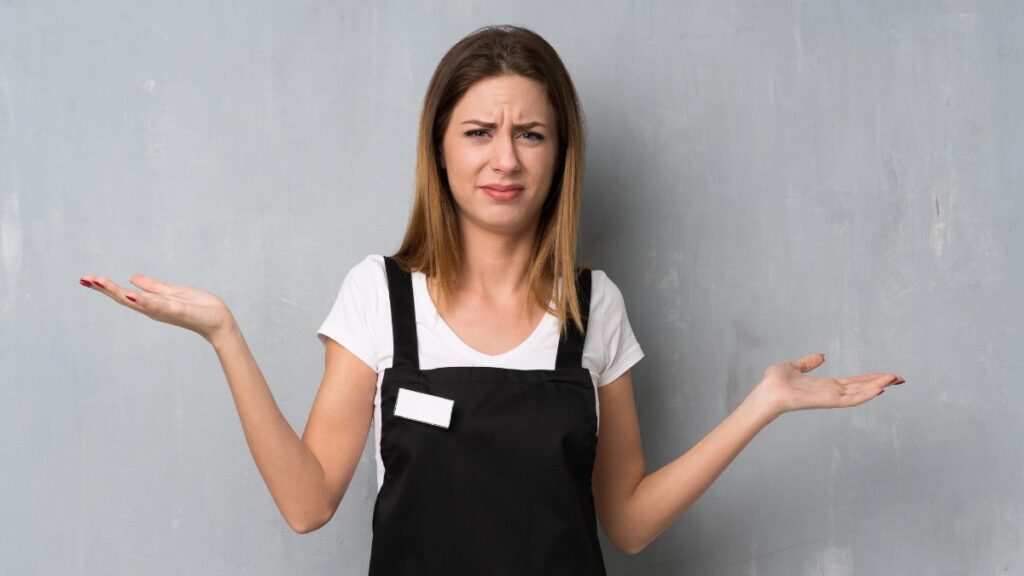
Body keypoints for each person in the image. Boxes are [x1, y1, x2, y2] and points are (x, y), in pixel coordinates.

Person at [79, 24, 905, 575]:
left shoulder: (593, 308)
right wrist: (225, 335)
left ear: (558, 156)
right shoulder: (379, 297)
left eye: (530, 133)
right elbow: (306, 504)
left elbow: (628, 522)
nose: (503, 158)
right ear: (440, 150)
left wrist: (761, 404)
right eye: (479, 132)